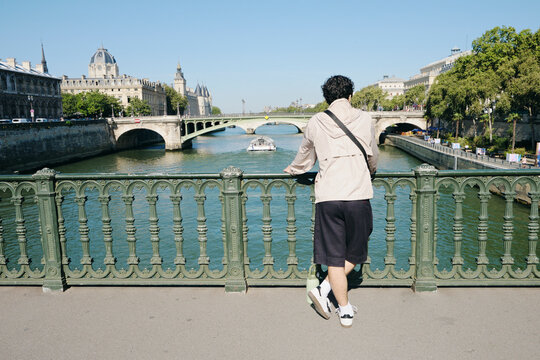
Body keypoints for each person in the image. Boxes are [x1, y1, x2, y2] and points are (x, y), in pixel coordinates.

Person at [284, 75, 378, 328]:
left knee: (334, 256)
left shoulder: (316, 121)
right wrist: (370, 169)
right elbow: (372, 154)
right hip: (358, 193)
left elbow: (305, 156)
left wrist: (293, 169)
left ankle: (336, 302)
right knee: (357, 248)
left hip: (328, 196)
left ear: (326, 98)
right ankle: (336, 300)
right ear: (350, 96)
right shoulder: (366, 118)